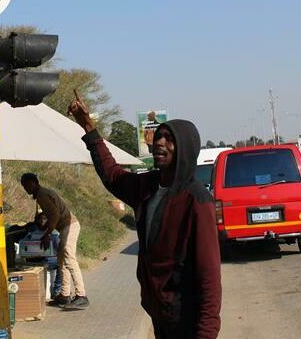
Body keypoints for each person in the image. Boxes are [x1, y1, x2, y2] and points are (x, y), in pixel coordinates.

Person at [68, 90, 221, 338]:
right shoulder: (148, 186)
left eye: (168, 139)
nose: (159, 142)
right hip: (159, 312)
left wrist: (206, 333)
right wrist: (88, 127)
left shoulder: (197, 202)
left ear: (185, 148)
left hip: (187, 319)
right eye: (158, 137)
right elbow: (112, 175)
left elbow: (210, 276)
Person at [20, 172, 88, 308]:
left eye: (27, 185)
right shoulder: (42, 194)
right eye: (23, 186)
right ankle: (65, 295)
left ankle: (81, 295)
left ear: (34, 183)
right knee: (61, 260)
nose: (25, 188)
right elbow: (52, 214)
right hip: (65, 226)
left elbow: (55, 215)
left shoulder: (42, 195)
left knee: (69, 258)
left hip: (69, 225)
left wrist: (47, 234)